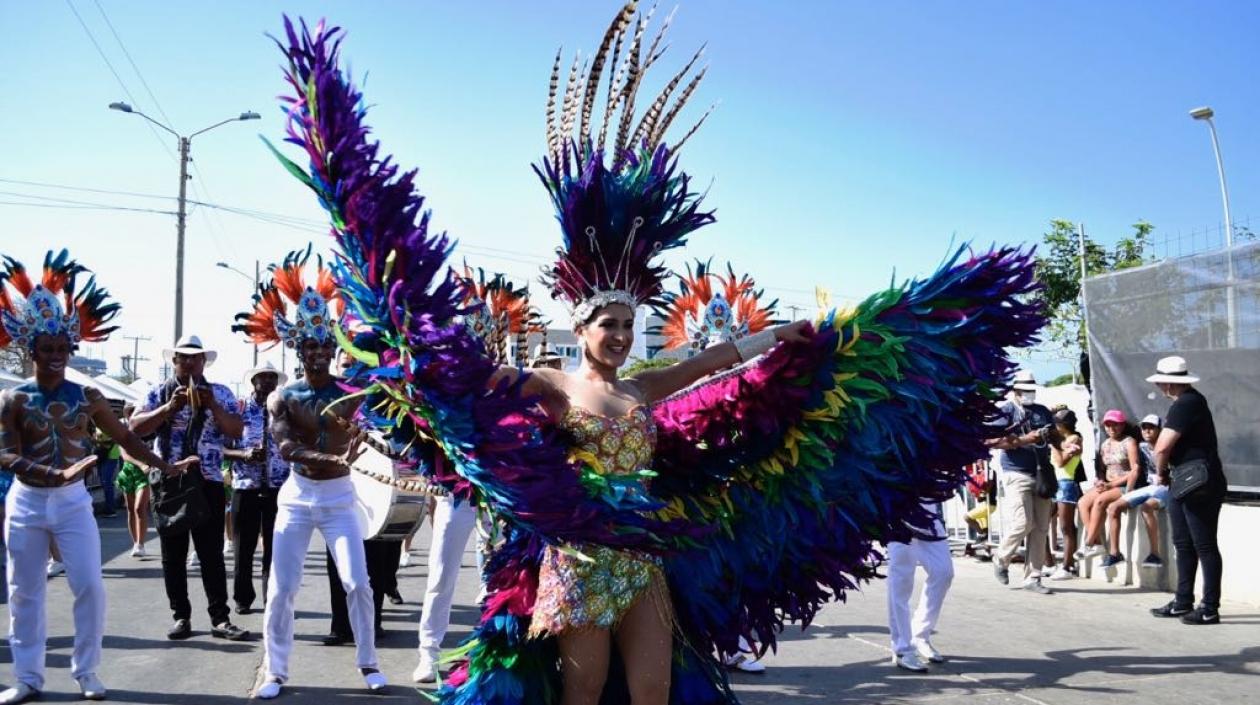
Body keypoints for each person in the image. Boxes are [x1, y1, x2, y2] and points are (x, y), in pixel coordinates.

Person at [268, 11, 1043, 703]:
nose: (616, 334)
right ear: (584, 325)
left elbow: (716, 364)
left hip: (641, 559)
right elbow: (470, 380)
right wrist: (417, 339)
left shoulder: (644, 383)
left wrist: (785, 335)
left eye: (625, 323)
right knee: (586, 688)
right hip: (574, 559)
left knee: (652, 687)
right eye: (605, 323)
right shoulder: (551, 384)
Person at [0, 250, 197, 704]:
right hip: (27, 502)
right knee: (23, 591)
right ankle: (28, 677)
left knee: (89, 584)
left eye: (61, 349)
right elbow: (6, 453)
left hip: (72, 502)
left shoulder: (88, 396)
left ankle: (86, 671)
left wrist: (165, 466)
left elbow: (127, 439)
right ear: (30, 350)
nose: (54, 356)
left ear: (71, 349)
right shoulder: (13, 398)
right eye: (45, 349)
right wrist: (51, 470)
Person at [234, 249, 387, 698]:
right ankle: (275, 672)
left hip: (340, 498)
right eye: (310, 347)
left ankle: (369, 663)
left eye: (325, 346)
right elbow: (284, 446)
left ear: (334, 349)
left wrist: (365, 440)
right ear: (298, 349)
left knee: (357, 582)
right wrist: (329, 458)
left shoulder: (353, 392)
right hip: (298, 497)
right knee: (281, 588)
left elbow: (383, 424)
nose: (318, 354)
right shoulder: (282, 396)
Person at [129, 334, 249, 642]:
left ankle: (220, 619)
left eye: (196, 358)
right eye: (183, 357)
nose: (190, 362)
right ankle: (181, 616)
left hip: (207, 480)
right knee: (173, 555)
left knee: (211, 554)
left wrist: (212, 407)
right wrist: (168, 409)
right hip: (170, 483)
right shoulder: (158, 392)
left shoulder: (219, 392)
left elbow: (236, 430)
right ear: (174, 361)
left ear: (203, 362)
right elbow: (134, 429)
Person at [1145, 357, 1226, 625]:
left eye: (1159, 381)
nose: (1157, 385)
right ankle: (1183, 601)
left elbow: (1162, 447)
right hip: (1185, 480)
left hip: (1198, 481)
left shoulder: (1187, 403)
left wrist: (1160, 473)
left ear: (1168, 382)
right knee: (1183, 543)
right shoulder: (1185, 403)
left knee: (1204, 545)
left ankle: (1209, 607)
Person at [222, 362, 288, 615]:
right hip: (246, 486)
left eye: (273, 378)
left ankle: (271, 597)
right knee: (243, 548)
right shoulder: (237, 409)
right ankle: (242, 598)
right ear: (254, 381)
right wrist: (243, 454)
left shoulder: (283, 411)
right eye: (263, 377)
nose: (268, 382)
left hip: (277, 487)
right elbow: (220, 447)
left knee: (275, 548)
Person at [986, 371, 1056, 595]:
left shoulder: (1042, 411)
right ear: (1015, 391)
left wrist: (1064, 444)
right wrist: (1025, 440)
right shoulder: (1006, 411)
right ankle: (1001, 557)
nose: (1029, 394)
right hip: (1016, 473)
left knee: (1041, 526)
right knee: (1023, 522)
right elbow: (991, 441)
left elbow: (1054, 435)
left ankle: (1033, 577)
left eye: (1031, 389)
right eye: (1025, 390)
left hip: (1042, 473)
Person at [886, 502, 954, 672]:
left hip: (928, 516)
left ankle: (920, 635)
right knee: (901, 581)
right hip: (897, 515)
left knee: (943, 572)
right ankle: (903, 649)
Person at [1076, 409, 1140, 568]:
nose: (1111, 428)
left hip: (1124, 485)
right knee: (1083, 502)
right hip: (1107, 484)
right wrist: (1100, 482)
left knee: (1100, 501)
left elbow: (1135, 470)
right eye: (1108, 425)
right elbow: (1102, 471)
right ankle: (1097, 543)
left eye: (1115, 425)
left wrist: (1112, 484)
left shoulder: (1129, 442)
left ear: (1122, 425)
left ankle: (1088, 542)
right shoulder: (1105, 444)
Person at [1107, 414, 1168, 568]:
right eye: (1144, 427)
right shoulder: (1141, 447)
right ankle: (1115, 554)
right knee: (1113, 507)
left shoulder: (1169, 446)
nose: (1147, 431)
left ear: (1160, 429)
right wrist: (1127, 491)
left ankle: (1155, 555)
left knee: (1146, 507)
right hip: (1148, 487)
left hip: (1167, 488)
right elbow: (1132, 467)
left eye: (1151, 427)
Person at [1048, 408, 1083, 580]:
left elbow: (1062, 462)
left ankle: (1068, 566)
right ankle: (1049, 563)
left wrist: (1053, 444)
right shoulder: (1062, 441)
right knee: (1041, 523)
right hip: (1054, 483)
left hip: (1066, 483)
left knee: (1066, 527)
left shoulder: (1075, 438)